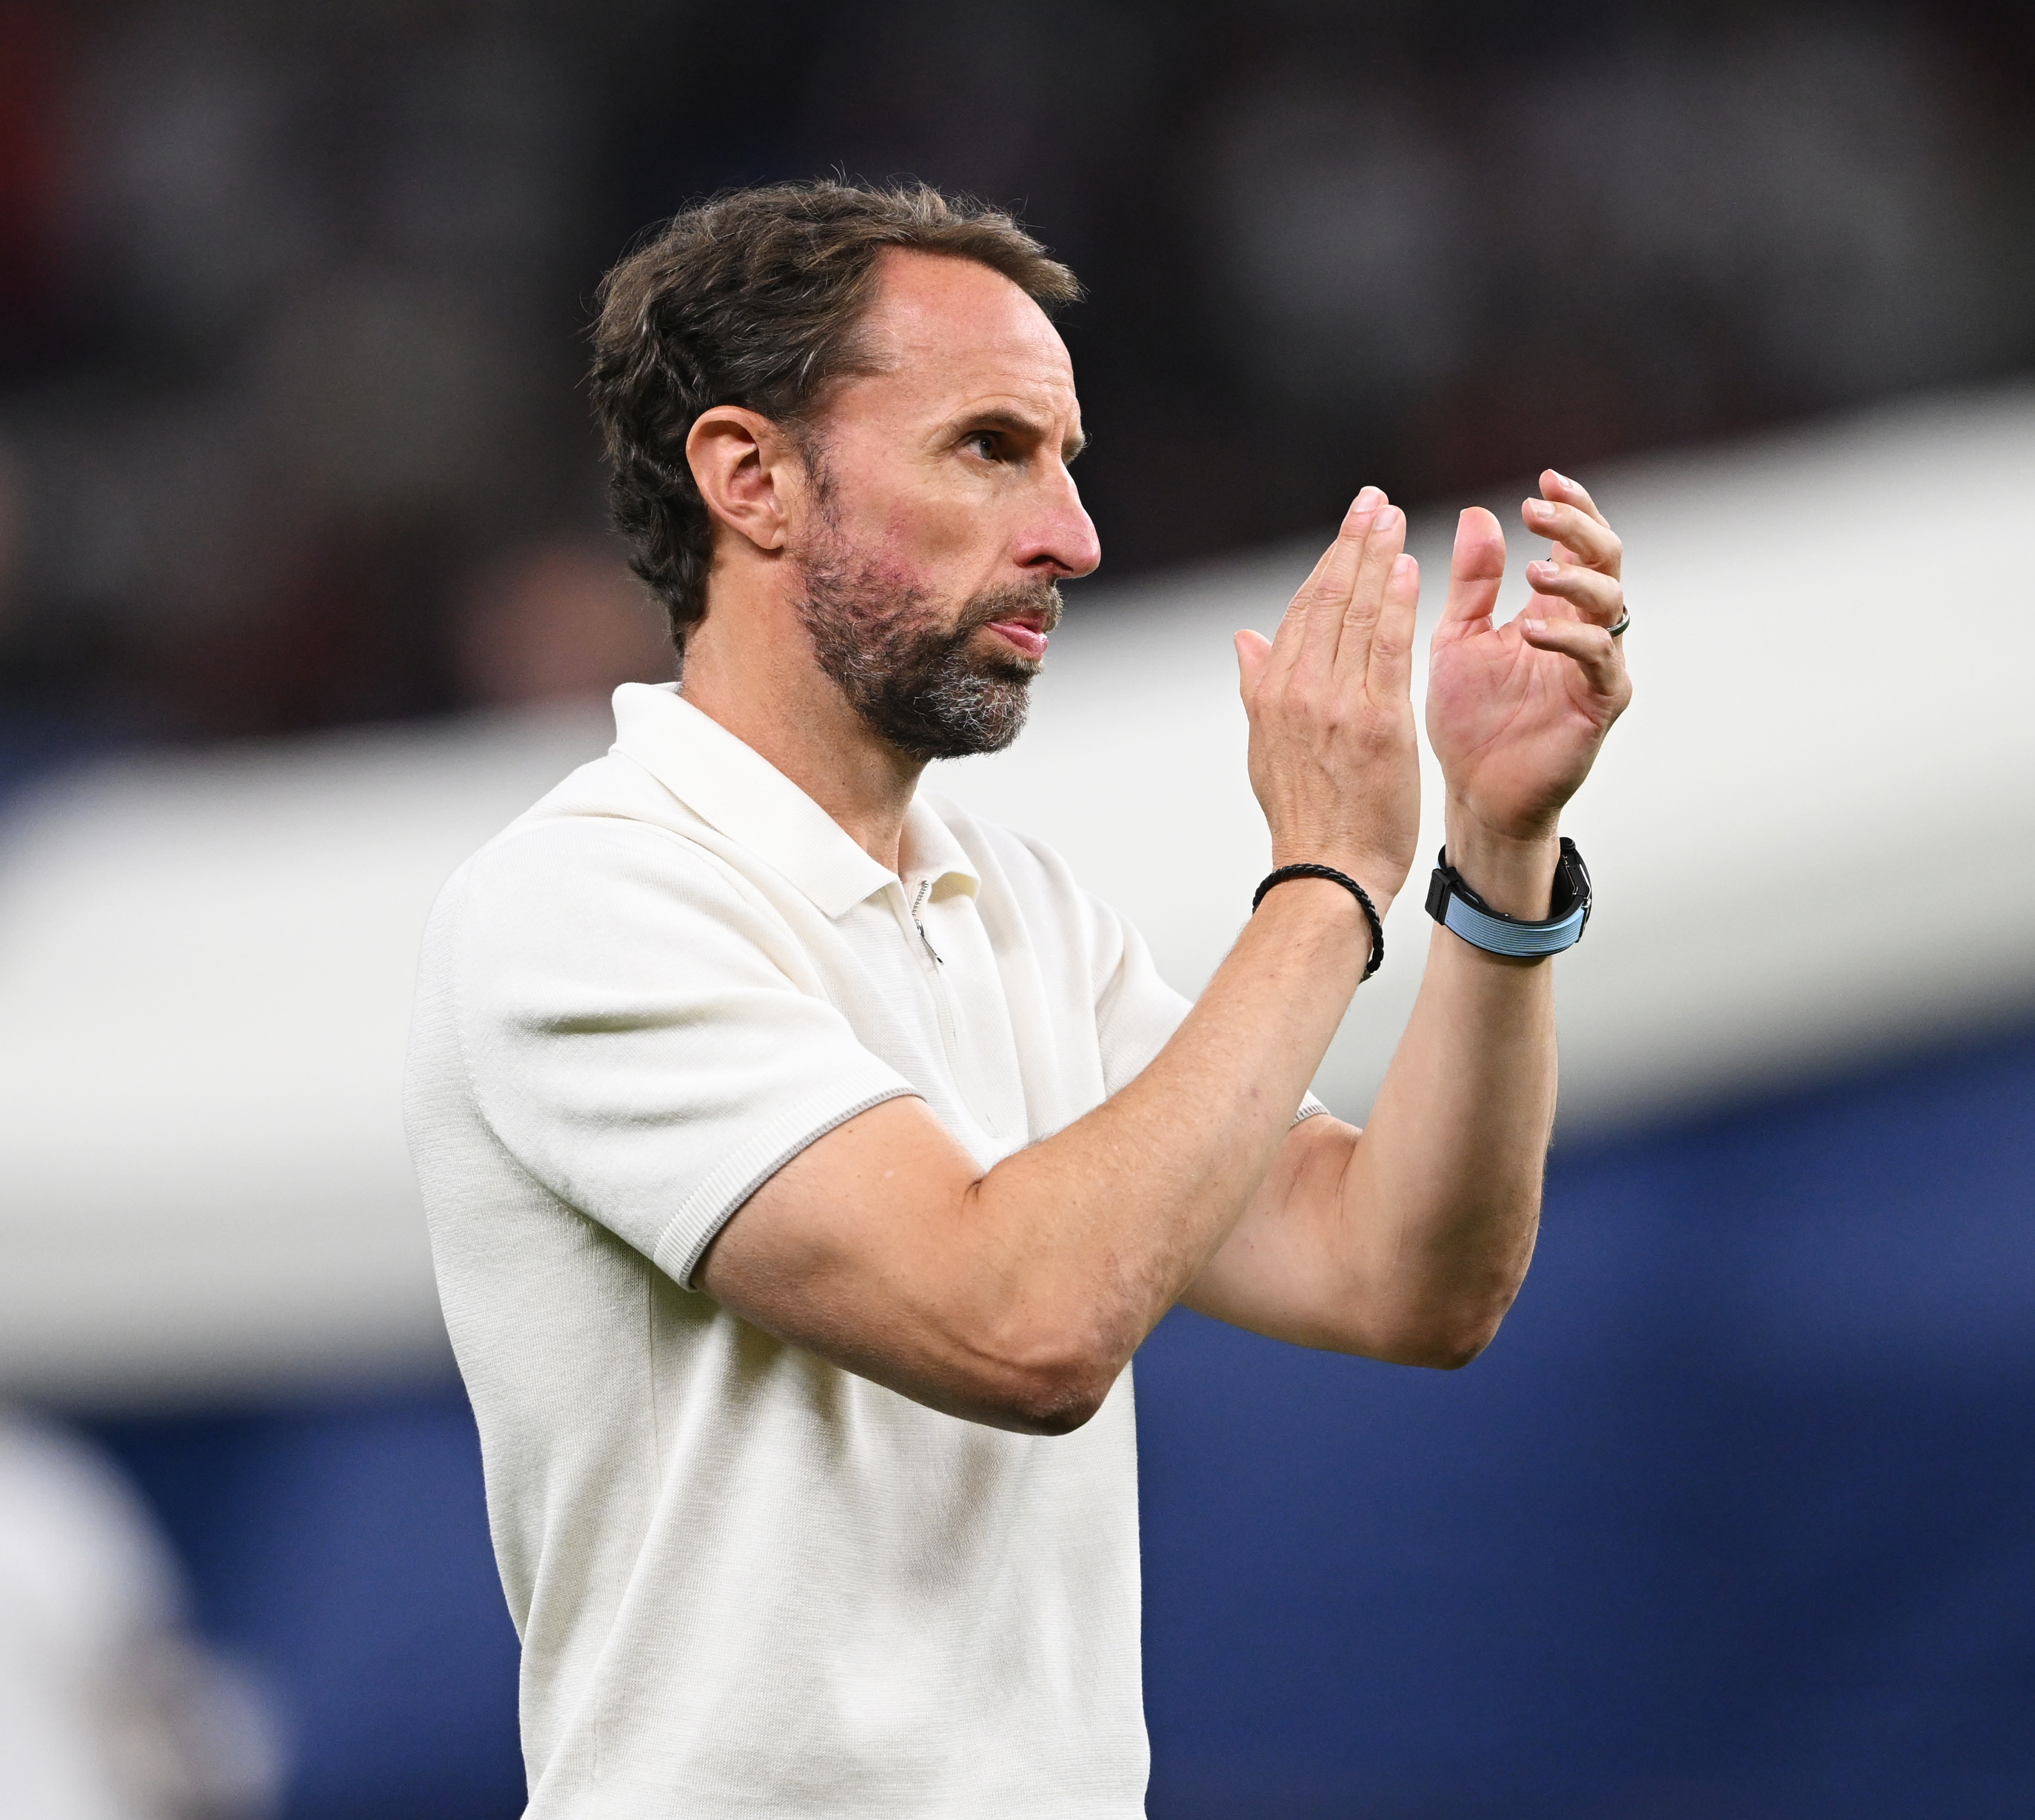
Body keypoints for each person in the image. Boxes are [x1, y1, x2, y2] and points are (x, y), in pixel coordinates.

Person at [405, 179, 1631, 1816]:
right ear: (748, 476)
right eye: (990, 447)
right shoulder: (588, 901)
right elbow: (1022, 1320)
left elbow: (1404, 1275)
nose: (1073, 533)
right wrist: (1328, 877)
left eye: (1066, 459)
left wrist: (1495, 851)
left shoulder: (1021, 911)